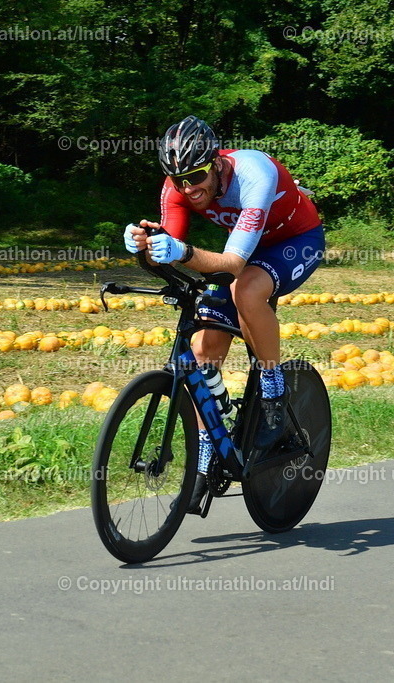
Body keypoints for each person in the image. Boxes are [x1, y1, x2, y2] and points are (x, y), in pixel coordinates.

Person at [124, 115, 325, 514]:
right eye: (178, 180)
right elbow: (173, 246)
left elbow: (232, 262)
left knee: (247, 289)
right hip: (245, 250)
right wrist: (145, 246)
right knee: (201, 351)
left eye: (196, 176)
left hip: (294, 242)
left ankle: (272, 390)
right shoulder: (179, 184)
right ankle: (205, 458)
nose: (188, 189)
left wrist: (180, 252)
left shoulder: (254, 172)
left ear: (216, 162)